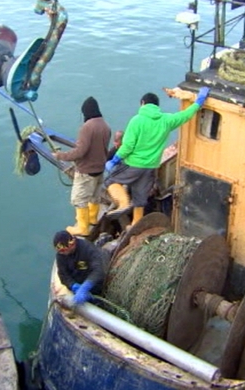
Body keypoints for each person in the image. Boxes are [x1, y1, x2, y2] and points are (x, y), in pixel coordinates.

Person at [105, 87, 210, 225]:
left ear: (142, 103)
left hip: (133, 164)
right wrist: (198, 102)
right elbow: (185, 115)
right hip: (150, 167)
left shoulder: (137, 120)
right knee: (140, 198)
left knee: (111, 181)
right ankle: (134, 225)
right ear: (156, 106)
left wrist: (115, 159)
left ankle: (123, 203)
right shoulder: (166, 120)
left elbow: (128, 145)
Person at [53, 97, 111, 236]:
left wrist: (61, 155)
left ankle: (83, 228)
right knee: (94, 196)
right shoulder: (106, 126)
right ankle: (93, 219)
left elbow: (80, 151)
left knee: (78, 200)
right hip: (100, 170)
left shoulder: (87, 127)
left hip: (86, 171)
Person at [53, 230, 107, 305]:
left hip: (94, 285)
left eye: (64, 250)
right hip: (77, 286)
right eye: (60, 251)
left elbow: (98, 270)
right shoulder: (61, 255)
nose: (63, 253)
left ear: (71, 244)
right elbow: (63, 274)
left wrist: (86, 286)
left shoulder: (87, 249)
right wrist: (73, 285)